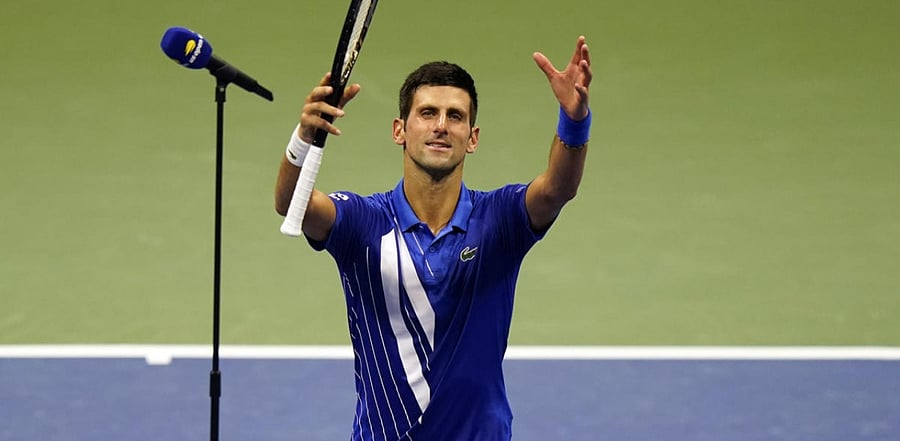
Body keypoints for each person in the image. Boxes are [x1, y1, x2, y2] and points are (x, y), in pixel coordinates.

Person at [274, 36, 592, 441]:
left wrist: (574, 120)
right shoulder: (361, 222)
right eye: (427, 113)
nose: (441, 126)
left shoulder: (499, 220)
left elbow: (557, 189)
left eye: (455, 116)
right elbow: (291, 204)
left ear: (472, 138)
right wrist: (303, 137)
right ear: (400, 131)